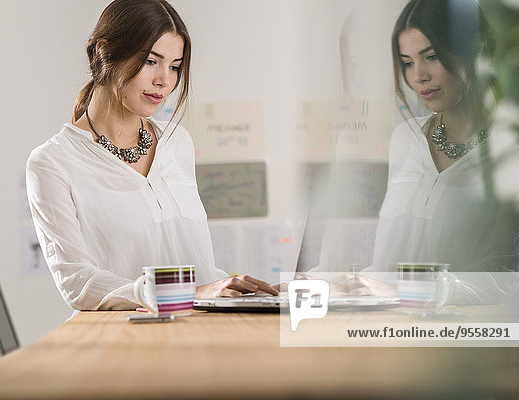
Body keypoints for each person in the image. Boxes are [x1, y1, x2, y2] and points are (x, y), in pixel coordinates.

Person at [26, 0, 278, 312]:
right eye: (150, 61)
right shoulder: (53, 163)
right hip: (127, 343)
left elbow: (193, 262)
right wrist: (194, 292)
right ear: (103, 53)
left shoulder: (177, 143)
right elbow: (78, 282)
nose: (165, 80)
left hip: (200, 332)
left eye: (174, 66)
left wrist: (246, 290)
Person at [307, 0, 518, 303]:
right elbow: (393, 262)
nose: (419, 76)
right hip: (389, 331)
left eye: (431, 57)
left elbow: (508, 276)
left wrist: (408, 291)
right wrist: (336, 283)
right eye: (407, 62)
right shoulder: (406, 138)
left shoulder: (509, 148)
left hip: (464, 341)